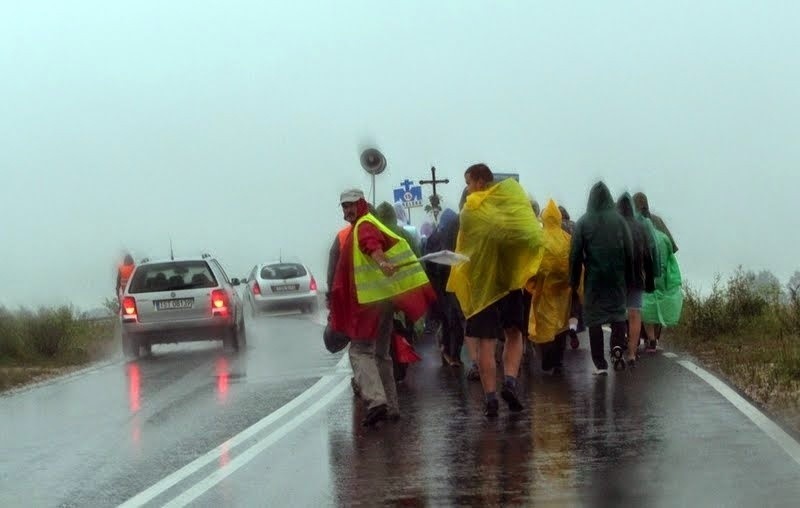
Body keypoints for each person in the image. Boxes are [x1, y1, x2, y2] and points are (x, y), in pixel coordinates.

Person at [329, 188, 435, 426]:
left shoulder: (364, 225)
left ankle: (377, 401)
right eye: (344, 206)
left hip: (370, 302)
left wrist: (381, 261)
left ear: (362, 203)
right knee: (381, 354)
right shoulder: (368, 223)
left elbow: (371, 244)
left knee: (359, 351)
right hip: (382, 300)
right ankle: (392, 407)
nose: (348, 210)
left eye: (351, 205)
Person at [447, 164, 544, 417]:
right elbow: (531, 235)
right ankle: (510, 381)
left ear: (480, 182)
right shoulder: (509, 203)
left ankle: (490, 398)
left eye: (468, 183)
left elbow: (468, 245)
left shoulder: (471, 210)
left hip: (482, 287)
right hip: (510, 282)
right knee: (514, 334)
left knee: (485, 344)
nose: (467, 189)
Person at [569, 182, 633, 375]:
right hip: (617, 277)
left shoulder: (583, 222)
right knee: (617, 314)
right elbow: (629, 251)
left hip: (594, 279)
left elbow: (575, 255)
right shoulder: (620, 221)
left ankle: (600, 364)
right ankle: (617, 347)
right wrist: (629, 278)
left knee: (594, 319)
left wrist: (573, 280)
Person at [527, 200, 576, 375]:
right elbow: (573, 262)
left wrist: (530, 283)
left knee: (543, 325)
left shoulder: (539, 238)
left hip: (544, 289)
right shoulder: (567, 238)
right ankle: (558, 361)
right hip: (563, 291)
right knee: (560, 326)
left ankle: (547, 359)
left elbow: (532, 264)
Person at [617, 192, 656, 366]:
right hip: (637, 278)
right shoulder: (640, 228)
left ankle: (618, 346)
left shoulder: (615, 227)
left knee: (618, 314)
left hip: (618, 279)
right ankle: (632, 353)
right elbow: (648, 256)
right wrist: (650, 282)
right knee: (635, 314)